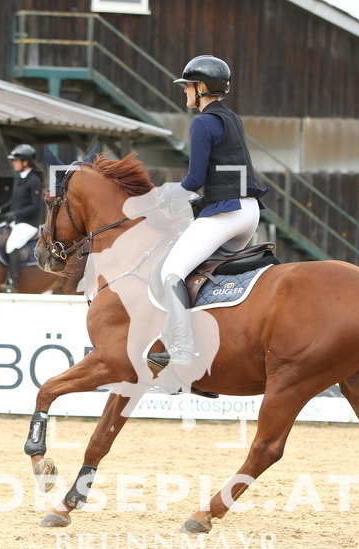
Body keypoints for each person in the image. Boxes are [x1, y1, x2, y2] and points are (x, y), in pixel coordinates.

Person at [154, 55, 268, 367]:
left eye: (188, 86)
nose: (185, 92)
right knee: (200, 275)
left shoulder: (202, 122)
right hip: (248, 212)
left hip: (226, 214)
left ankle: (182, 350)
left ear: (202, 88)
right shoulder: (233, 118)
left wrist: (165, 194)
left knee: (171, 272)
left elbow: (194, 180)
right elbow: (227, 172)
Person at [0, 144, 45, 293]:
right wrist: (1, 209)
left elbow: (34, 207)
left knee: (12, 244)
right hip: (16, 222)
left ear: (25, 161)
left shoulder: (34, 180)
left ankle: (13, 283)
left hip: (28, 224)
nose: (13, 163)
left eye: (16, 160)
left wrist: (16, 214)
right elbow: (15, 201)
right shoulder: (18, 178)